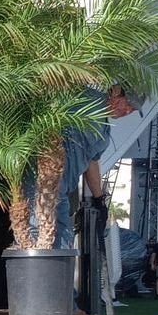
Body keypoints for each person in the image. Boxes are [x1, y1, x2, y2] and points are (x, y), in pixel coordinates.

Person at [28, 85, 139, 248]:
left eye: (132, 111)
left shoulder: (105, 129)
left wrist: (99, 200)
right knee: (37, 233)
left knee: (62, 236)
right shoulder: (82, 97)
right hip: (42, 183)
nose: (128, 112)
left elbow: (92, 161)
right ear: (116, 93)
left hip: (61, 191)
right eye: (128, 105)